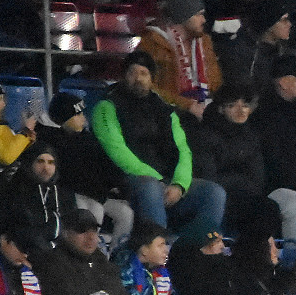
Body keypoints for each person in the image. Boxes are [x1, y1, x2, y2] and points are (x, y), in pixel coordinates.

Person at [92, 52, 227, 236]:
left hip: (166, 181)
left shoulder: (165, 110)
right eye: (132, 73)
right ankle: (157, 246)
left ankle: (201, 245)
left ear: (152, 79)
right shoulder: (107, 106)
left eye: (143, 73)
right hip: (125, 180)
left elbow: (183, 150)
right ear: (124, 76)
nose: (138, 78)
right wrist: (158, 180)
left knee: (213, 193)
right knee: (151, 187)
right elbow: (117, 151)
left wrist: (179, 184)